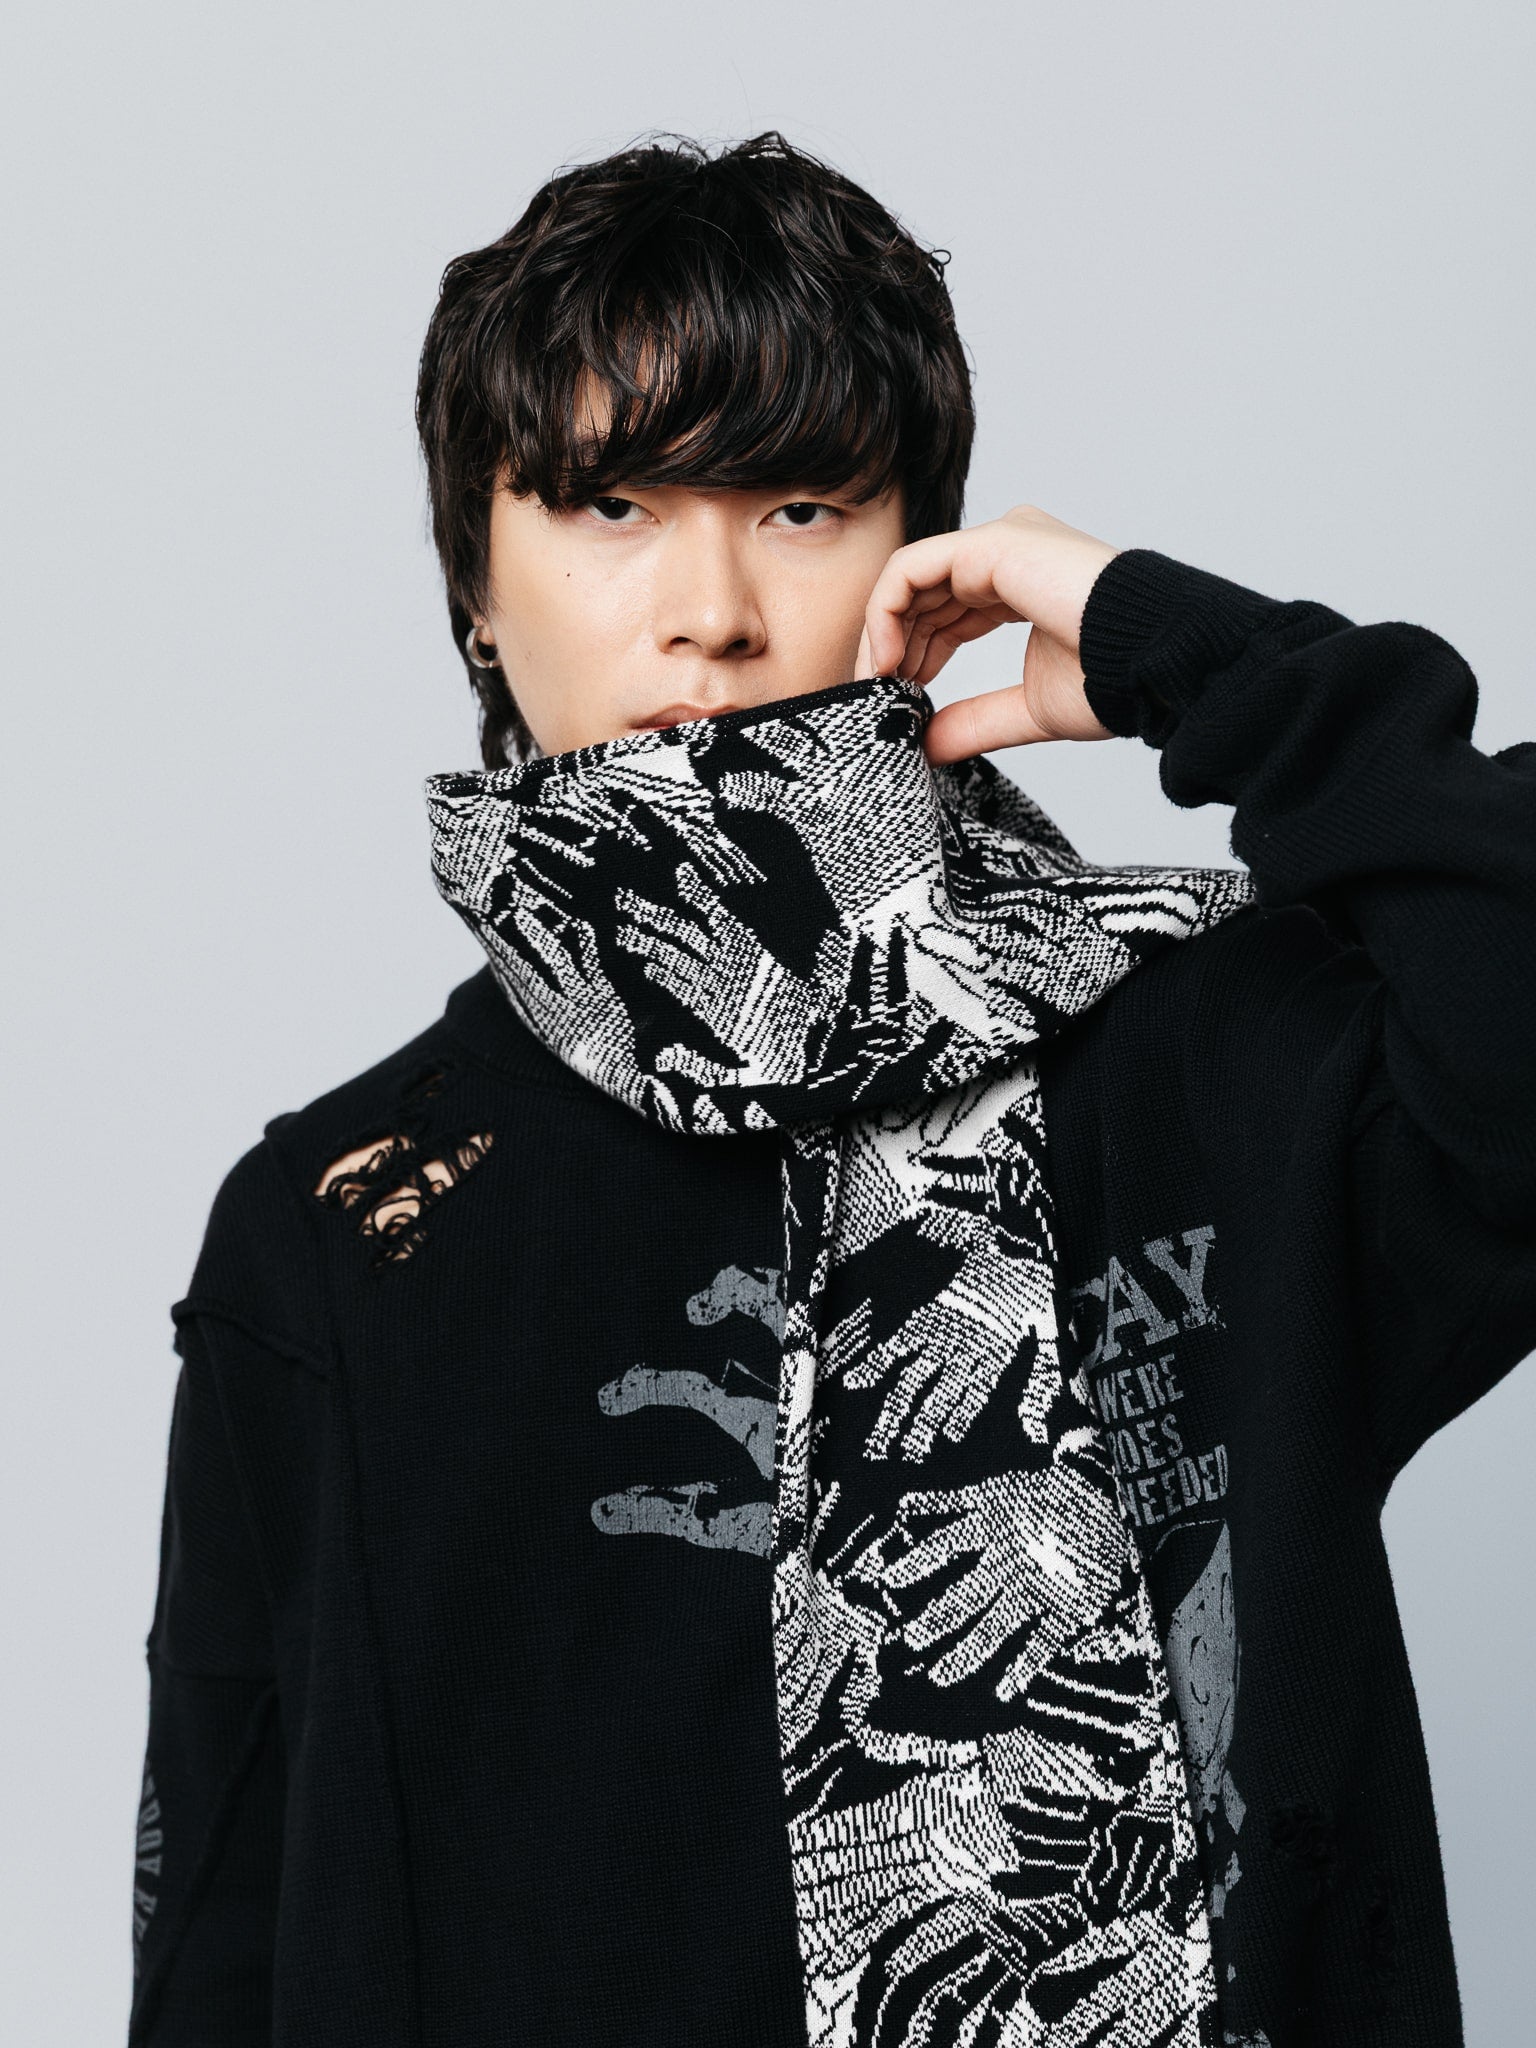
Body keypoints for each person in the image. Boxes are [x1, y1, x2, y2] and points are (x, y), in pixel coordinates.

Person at [126, 132, 1536, 2048]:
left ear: (920, 564)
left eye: (801, 505)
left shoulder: (1206, 1065)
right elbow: (220, 1927)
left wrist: (1195, 656)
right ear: (476, 585)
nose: (711, 608)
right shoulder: (343, 1227)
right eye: (612, 504)